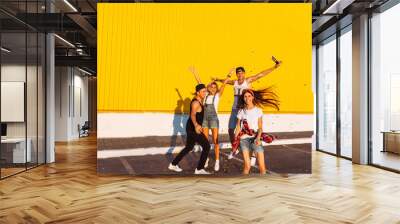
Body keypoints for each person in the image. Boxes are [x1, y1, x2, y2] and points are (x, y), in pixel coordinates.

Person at [214, 57, 282, 162]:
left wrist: (275, 67)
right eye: (238, 73)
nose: (240, 75)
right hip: (235, 109)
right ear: (236, 74)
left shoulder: (248, 80)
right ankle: (235, 148)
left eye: (241, 73)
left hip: (246, 110)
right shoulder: (235, 82)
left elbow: (261, 74)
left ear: (244, 73)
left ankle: (254, 155)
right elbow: (226, 81)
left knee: (252, 131)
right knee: (231, 130)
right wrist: (217, 79)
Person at [188, 66, 233, 171]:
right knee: (205, 141)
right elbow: (200, 82)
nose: (213, 88)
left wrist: (229, 74)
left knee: (216, 141)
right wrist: (195, 73)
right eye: (211, 87)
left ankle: (217, 161)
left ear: (216, 89)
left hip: (213, 119)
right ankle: (206, 158)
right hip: (205, 120)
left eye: (214, 87)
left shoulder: (218, 96)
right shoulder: (205, 95)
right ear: (208, 88)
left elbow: (224, 83)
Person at [234, 88, 279, 174]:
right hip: (244, 139)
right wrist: (235, 142)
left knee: (262, 168)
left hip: (255, 138)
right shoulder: (241, 111)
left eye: (249, 96)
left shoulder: (258, 111)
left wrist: (258, 138)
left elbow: (260, 128)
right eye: (245, 96)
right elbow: (238, 127)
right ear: (243, 98)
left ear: (253, 97)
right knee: (247, 166)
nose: (247, 98)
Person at [168, 84, 211, 175]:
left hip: (191, 127)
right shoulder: (196, 103)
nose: (205, 93)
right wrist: (196, 125)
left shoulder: (200, 99)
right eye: (203, 91)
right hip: (193, 128)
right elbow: (192, 114)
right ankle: (199, 169)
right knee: (207, 146)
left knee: (189, 147)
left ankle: (173, 164)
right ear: (197, 92)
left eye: (205, 91)